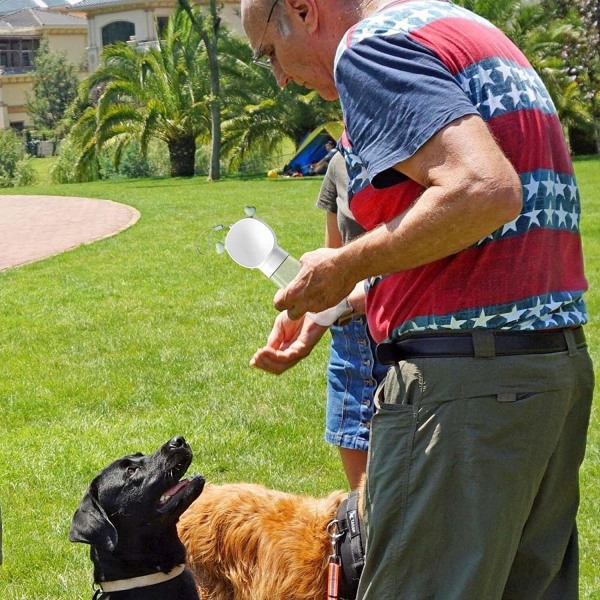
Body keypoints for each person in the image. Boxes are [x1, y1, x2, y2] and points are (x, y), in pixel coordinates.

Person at [242, 0, 595, 599]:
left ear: (303, 11)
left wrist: (348, 259)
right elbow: (475, 237)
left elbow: (484, 190)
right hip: (549, 377)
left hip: (465, 397)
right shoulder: (466, 29)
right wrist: (338, 303)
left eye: (269, 53)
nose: (278, 77)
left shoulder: (369, 47)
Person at [252, 151, 389, 490]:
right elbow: (333, 264)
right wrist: (306, 320)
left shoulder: (417, 145)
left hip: (407, 338)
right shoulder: (340, 162)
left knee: (413, 508)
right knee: (364, 509)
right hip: (354, 346)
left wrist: (353, 300)